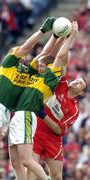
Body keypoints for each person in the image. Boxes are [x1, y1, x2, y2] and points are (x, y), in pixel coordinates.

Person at [0, 17, 56, 180]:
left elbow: (44, 55)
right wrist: (42, 31)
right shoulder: (9, 63)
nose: (23, 55)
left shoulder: (27, 72)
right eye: (18, 52)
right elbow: (26, 47)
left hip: (5, 111)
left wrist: (55, 37)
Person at [8, 22, 73, 180]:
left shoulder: (49, 80)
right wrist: (55, 36)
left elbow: (58, 57)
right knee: (16, 163)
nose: (39, 64)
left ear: (48, 68)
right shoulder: (32, 75)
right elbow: (45, 53)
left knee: (27, 161)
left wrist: (69, 37)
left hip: (27, 116)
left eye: (43, 64)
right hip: (17, 116)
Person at [27, 22, 87, 180]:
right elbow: (62, 60)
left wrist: (43, 114)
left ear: (81, 92)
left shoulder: (74, 110)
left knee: (56, 176)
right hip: (37, 131)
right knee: (30, 172)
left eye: (80, 83)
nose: (75, 82)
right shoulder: (62, 85)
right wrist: (67, 38)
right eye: (77, 80)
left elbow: (60, 131)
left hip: (53, 139)